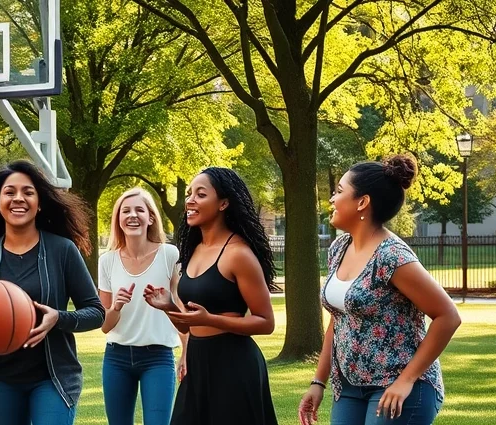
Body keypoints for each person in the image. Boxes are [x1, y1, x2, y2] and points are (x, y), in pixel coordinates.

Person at [298, 155, 461, 425]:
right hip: (348, 386)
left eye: (339, 191)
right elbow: (338, 319)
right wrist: (319, 381)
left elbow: (448, 316)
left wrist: (406, 380)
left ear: (362, 202)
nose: (332, 199)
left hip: (398, 386)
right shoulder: (339, 249)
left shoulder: (392, 257)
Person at [0, 160, 105, 425]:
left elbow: (96, 312)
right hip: (1, 380)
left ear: (40, 202)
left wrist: (58, 318)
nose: (18, 198)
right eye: (9, 192)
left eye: (28, 192)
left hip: (53, 378)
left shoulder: (63, 250)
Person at [143, 167, 278, 425]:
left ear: (224, 203)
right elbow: (190, 322)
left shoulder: (238, 253)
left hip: (234, 366)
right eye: (190, 193)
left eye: (201, 194)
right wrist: (168, 306)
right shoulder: (194, 250)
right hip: (198, 362)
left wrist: (211, 319)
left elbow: (265, 322)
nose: (190, 200)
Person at [99, 188, 186, 425]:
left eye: (140, 209)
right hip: (116, 358)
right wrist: (116, 307)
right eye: (125, 211)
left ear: (151, 218)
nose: (132, 215)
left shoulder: (170, 254)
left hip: (158, 357)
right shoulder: (107, 261)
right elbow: (105, 326)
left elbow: (181, 307)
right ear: (118, 219)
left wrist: (186, 353)